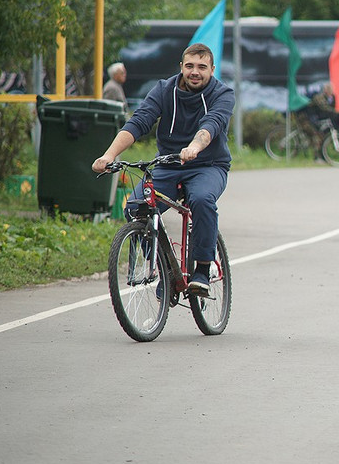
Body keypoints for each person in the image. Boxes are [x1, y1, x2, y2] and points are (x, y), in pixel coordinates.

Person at [91, 43, 234, 294]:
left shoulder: (222, 94)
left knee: (201, 200)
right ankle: (167, 270)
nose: (195, 72)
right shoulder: (164, 90)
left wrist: (194, 147)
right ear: (181, 67)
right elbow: (139, 121)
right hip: (168, 163)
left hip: (208, 165)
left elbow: (212, 124)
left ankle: (201, 269)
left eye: (202, 67)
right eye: (189, 66)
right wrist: (108, 155)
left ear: (212, 69)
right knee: (136, 207)